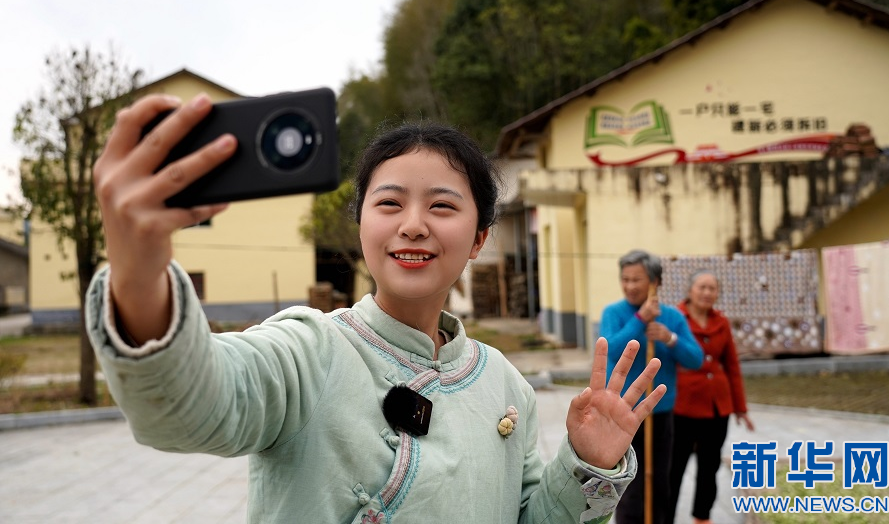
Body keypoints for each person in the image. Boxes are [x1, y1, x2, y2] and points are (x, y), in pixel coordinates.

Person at [86, 92, 667, 524]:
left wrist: (586, 465)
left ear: (479, 239)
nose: (412, 224)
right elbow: (187, 407)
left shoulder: (506, 386)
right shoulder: (307, 351)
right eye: (389, 203)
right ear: (362, 224)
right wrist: (138, 269)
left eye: (442, 206)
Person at [598, 249, 704, 524]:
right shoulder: (614, 313)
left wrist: (670, 339)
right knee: (627, 484)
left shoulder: (672, 317)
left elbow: (695, 359)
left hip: (660, 414)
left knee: (660, 482)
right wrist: (639, 321)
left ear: (655, 282)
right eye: (625, 279)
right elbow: (611, 350)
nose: (630, 286)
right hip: (621, 414)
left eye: (637, 280)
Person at [667, 271, 754, 524]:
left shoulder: (721, 322)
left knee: (710, 465)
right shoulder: (675, 318)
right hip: (681, 405)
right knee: (674, 467)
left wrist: (740, 407)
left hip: (717, 405)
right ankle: (665, 517)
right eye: (702, 287)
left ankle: (702, 516)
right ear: (690, 290)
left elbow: (732, 366)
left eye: (712, 288)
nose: (707, 292)